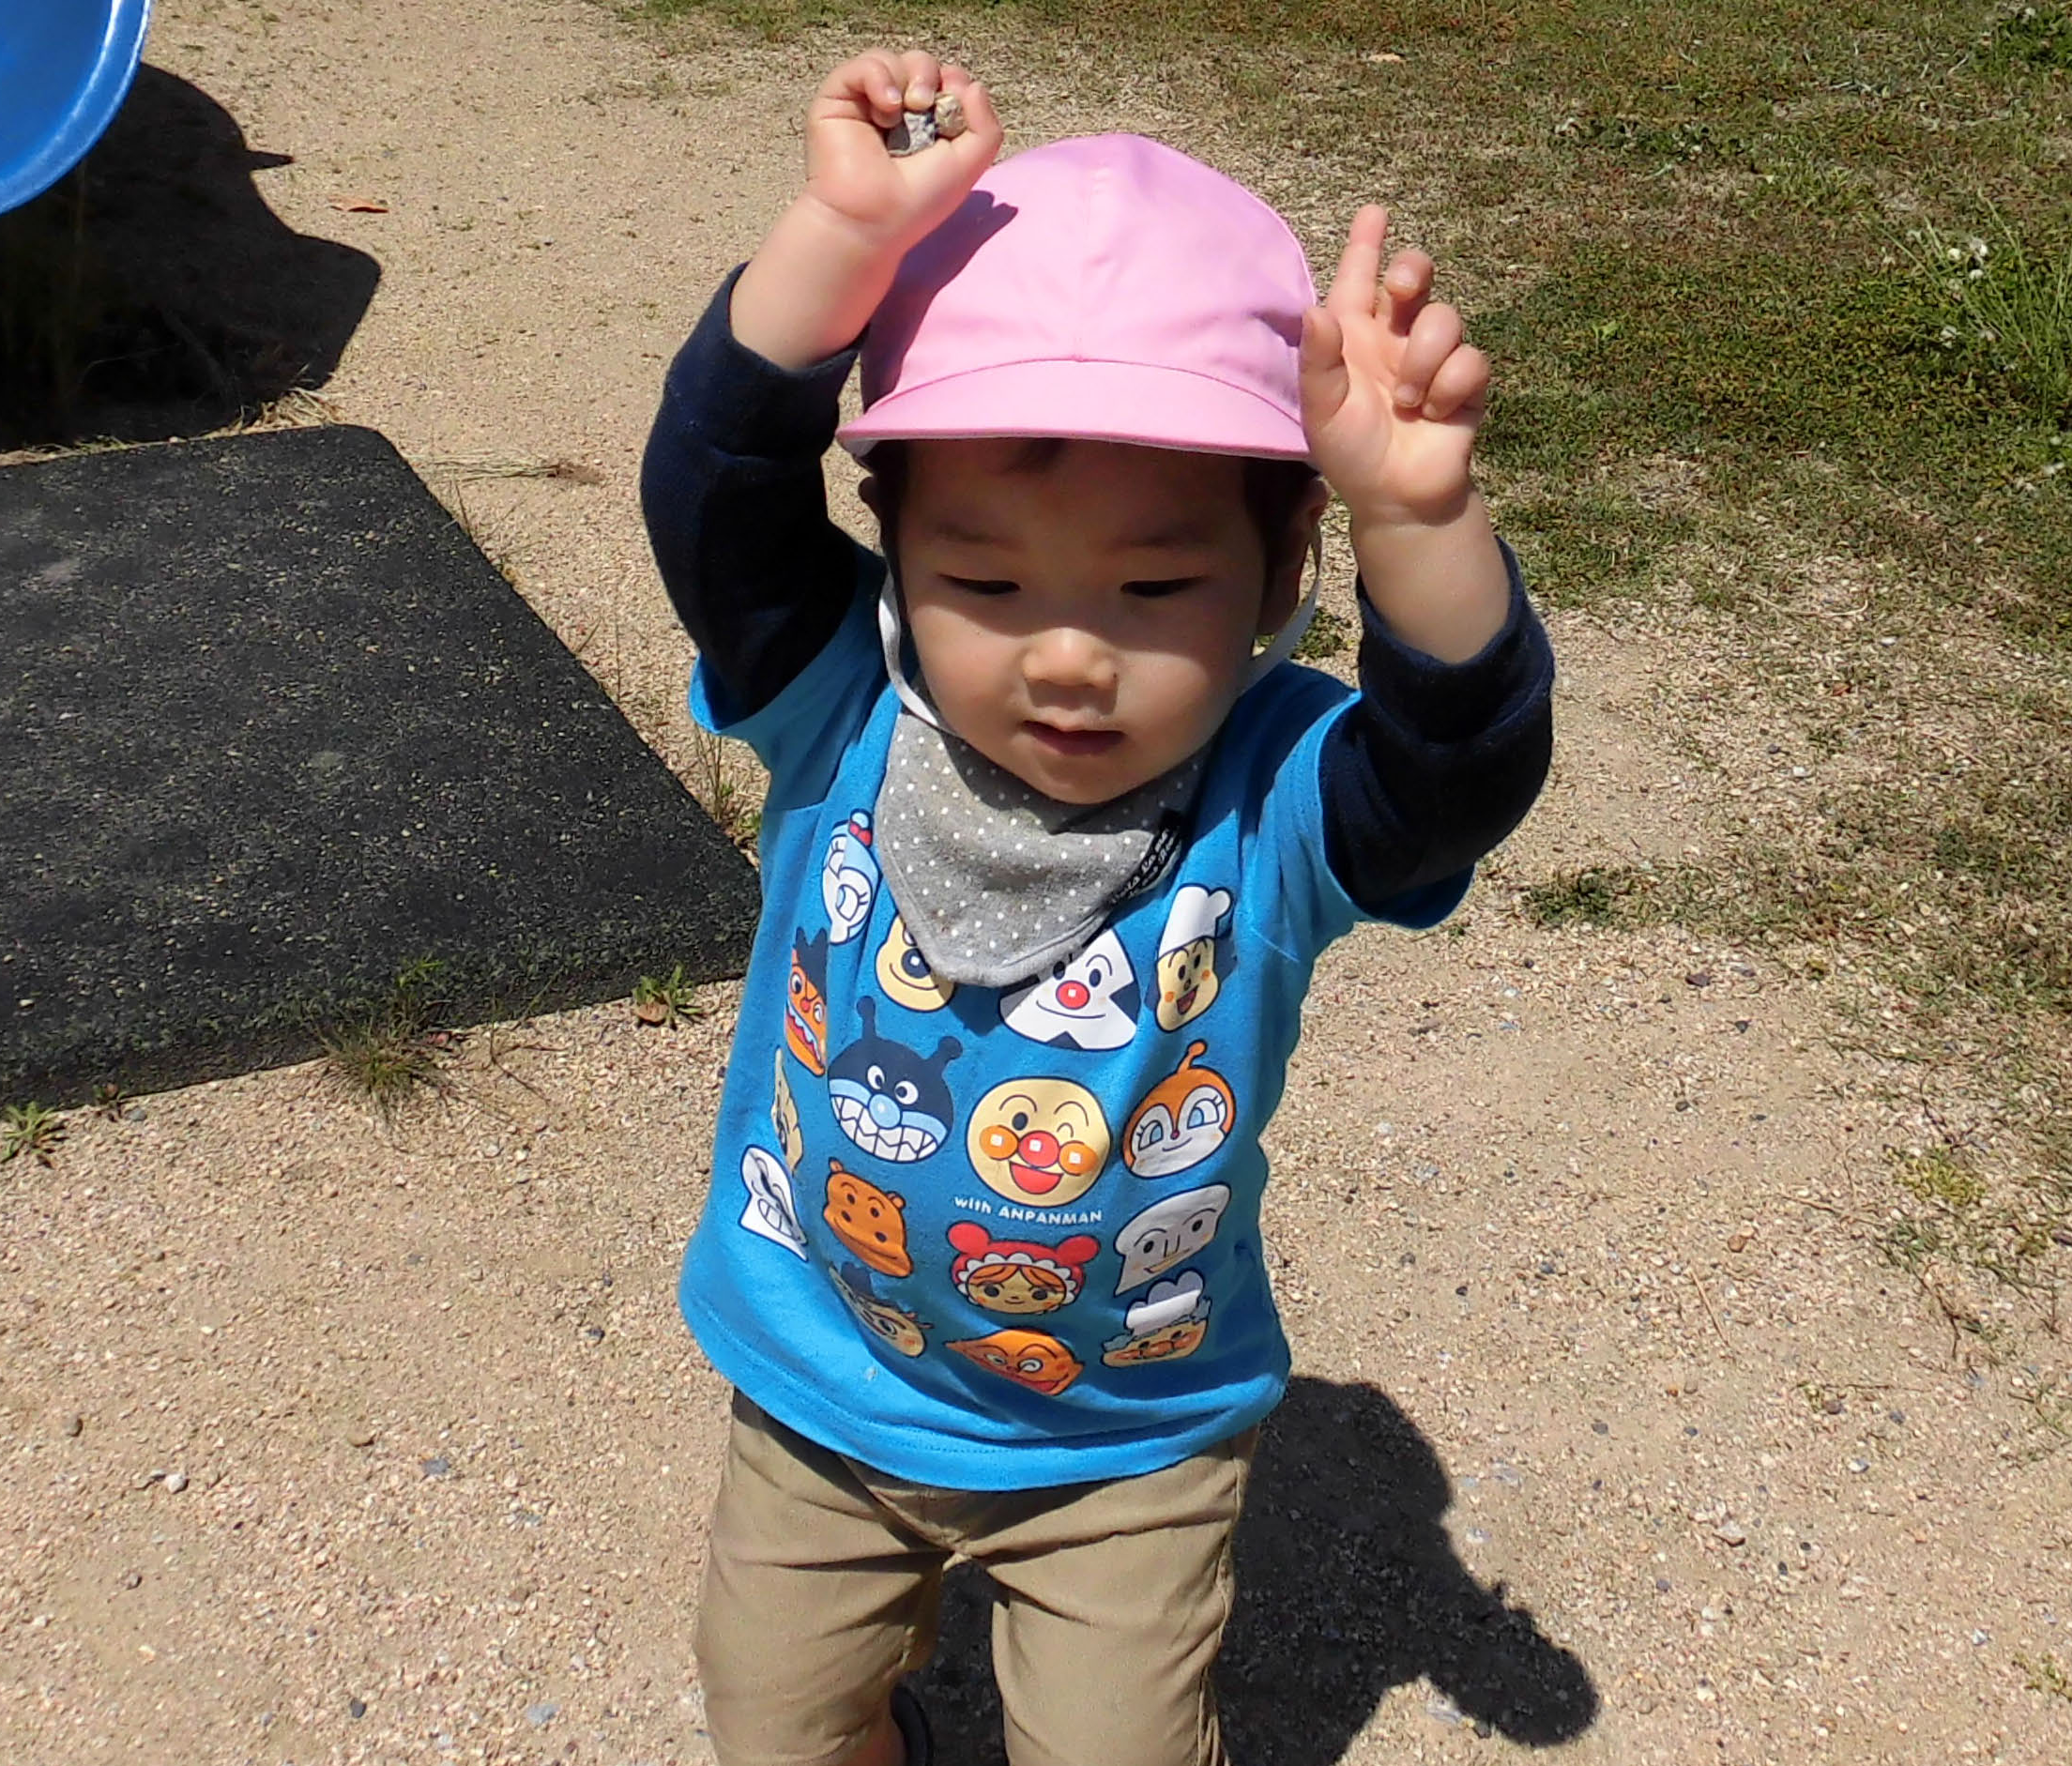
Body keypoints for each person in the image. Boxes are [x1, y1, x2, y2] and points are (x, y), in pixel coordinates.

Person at [640, 47, 1553, 1766]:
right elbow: (717, 493)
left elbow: (1458, 768)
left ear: (1283, 567)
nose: (1067, 655)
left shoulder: (1272, 795)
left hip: (1122, 1443)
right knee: (778, 1724)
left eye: (1155, 585)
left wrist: (1420, 515)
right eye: (985, 579)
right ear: (893, 544)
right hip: (827, 1380)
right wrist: (843, 238)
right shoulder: (842, 704)